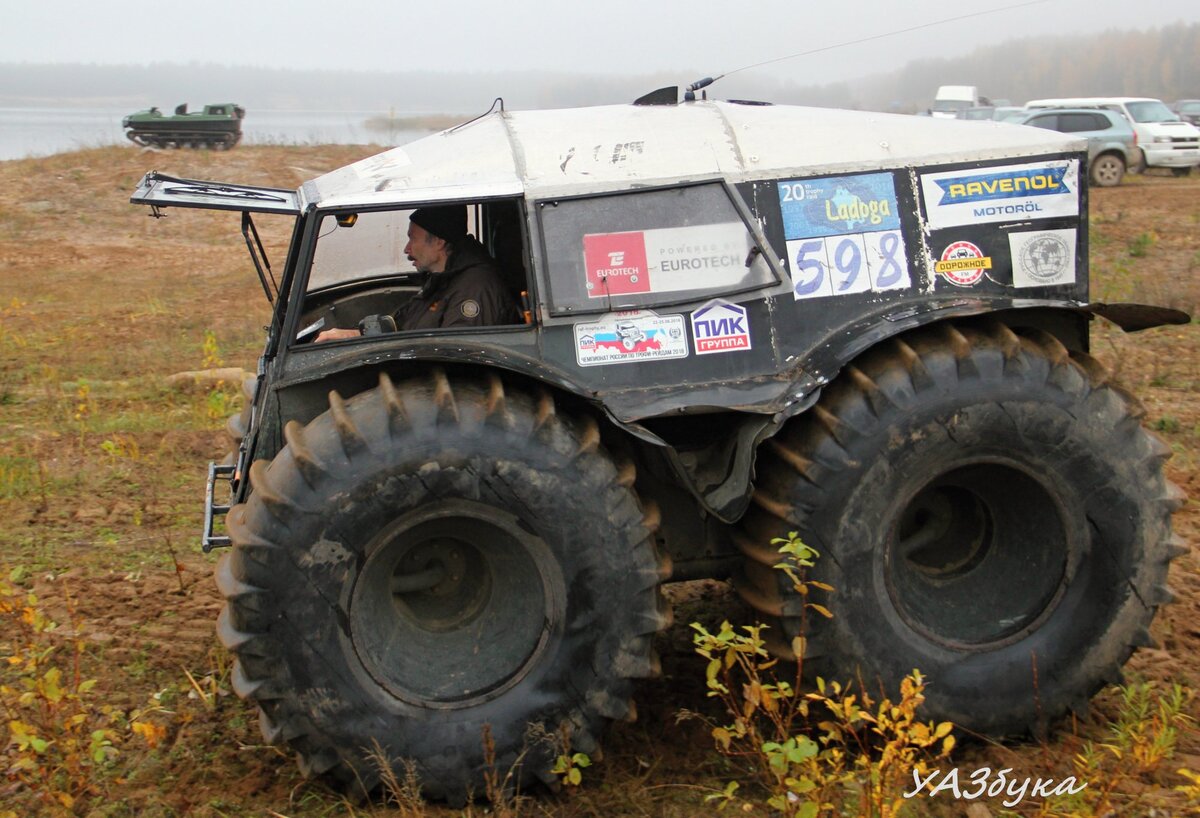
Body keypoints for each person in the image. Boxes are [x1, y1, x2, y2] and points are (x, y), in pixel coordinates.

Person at [316, 205, 520, 342]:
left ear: (439, 242)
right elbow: (401, 326)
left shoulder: (475, 290)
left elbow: (457, 363)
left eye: (413, 239)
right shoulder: (442, 280)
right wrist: (350, 336)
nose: (406, 249)